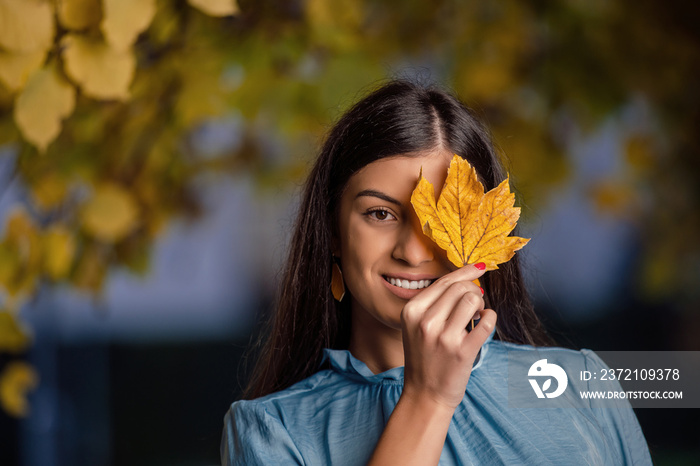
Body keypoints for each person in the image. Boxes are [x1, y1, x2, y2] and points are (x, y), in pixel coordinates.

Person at [221, 80, 652, 465]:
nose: (412, 251)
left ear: (488, 230)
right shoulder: (273, 432)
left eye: (442, 220)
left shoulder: (581, 387)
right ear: (332, 231)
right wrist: (427, 399)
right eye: (379, 213)